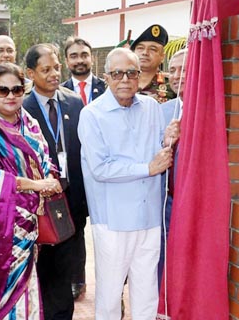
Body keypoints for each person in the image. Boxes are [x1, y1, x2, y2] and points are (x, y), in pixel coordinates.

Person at [78, 48, 179, 320]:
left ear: (139, 75)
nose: (125, 79)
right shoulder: (92, 115)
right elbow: (100, 168)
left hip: (148, 217)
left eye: (131, 73)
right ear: (106, 77)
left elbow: (160, 147)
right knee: (110, 298)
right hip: (113, 220)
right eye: (117, 73)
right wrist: (147, 168)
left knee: (147, 294)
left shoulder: (151, 107)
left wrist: (168, 136)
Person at [0, 62, 62, 319]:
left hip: (31, 223)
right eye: (2, 90)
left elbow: (45, 159)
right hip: (0, 228)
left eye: (17, 90)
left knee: (28, 290)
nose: (10, 96)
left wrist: (51, 176)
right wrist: (35, 185)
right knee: (0, 298)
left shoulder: (29, 123)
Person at [23, 44, 87, 319]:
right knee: (40, 276)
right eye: (45, 70)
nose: (53, 74)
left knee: (64, 275)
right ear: (30, 73)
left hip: (70, 202)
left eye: (56, 68)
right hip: (35, 206)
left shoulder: (73, 102)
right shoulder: (20, 106)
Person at [158, 48, 186, 286]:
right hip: (166, 201)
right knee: (162, 267)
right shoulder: (164, 110)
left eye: (184, 69)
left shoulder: (211, 110)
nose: (177, 75)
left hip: (193, 205)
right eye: (173, 70)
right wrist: (164, 142)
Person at [131, 24, 175, 103]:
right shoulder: (121, 81)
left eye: (152, 49)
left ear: (162, 57)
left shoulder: (172, 84)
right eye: (140, 48)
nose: (145, 53)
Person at [62, 37, 106, 106]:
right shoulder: (61, 91)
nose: (80, 61)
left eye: (84, 56)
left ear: (92, 59)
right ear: (66, 61)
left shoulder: (106, 87)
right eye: (74, 57)